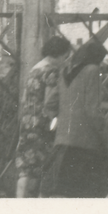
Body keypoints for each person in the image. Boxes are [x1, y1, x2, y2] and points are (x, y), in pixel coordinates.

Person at [42, 40, 108, 197]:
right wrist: (104, 133)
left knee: (64, 193)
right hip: (86, 143)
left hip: (63, 141)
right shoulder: (92, 70)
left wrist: (60, 119)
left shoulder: (65, 70)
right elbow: (92, 110)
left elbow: (49, 102)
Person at [15, 35, 71, 198]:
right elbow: (50, 101)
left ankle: (19, 202)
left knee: (26, 166)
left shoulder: (36, 68)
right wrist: (55, 121)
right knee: (42, 165)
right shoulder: (52, 71)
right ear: (59, 54)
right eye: (65, 56)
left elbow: (26, 96)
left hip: (27, 121)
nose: (65, 60)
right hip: (42, 123)